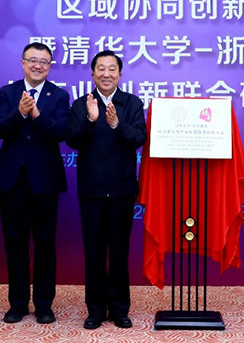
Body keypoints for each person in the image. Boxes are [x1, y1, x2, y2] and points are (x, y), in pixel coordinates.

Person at [0, 42, 70, 324]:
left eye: (44, 61)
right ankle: (18, 303)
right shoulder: (8, 92)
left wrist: (36, 114)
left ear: (49, 66)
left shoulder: (59, 95)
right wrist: (20, 112)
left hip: (45, 181)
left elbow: (60, 133)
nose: (38, 65)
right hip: (12, 181)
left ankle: (44, 305)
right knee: (15, 244)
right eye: (33, 60)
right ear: (23, 63)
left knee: (45, 245)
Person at [66, 50, 146, 329]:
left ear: (120, 74)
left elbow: (139, 138)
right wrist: (90, 121)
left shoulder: (132, 103)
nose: (106, 74)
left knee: (120, 252)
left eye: (112, 69)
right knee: (94, 252)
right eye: (101, 68)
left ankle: (120, 309)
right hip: (91, 190)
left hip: (122, 189)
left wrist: (116, 125)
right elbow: (72, 141)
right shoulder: (81, 104)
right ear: (93, 73)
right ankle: (96, 310)